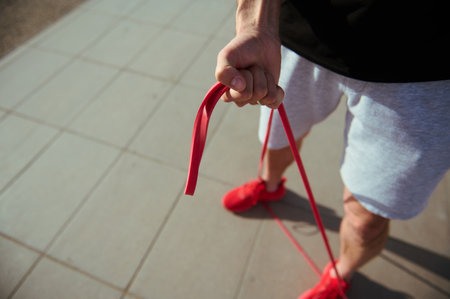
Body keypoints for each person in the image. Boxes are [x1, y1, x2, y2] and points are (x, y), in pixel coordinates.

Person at [214, 0, 450, 298]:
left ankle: (342, 274)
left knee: (369, 218)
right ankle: (270, 184)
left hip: (430, 68)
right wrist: (256, 24)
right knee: (277, 138)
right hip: (306, 31)